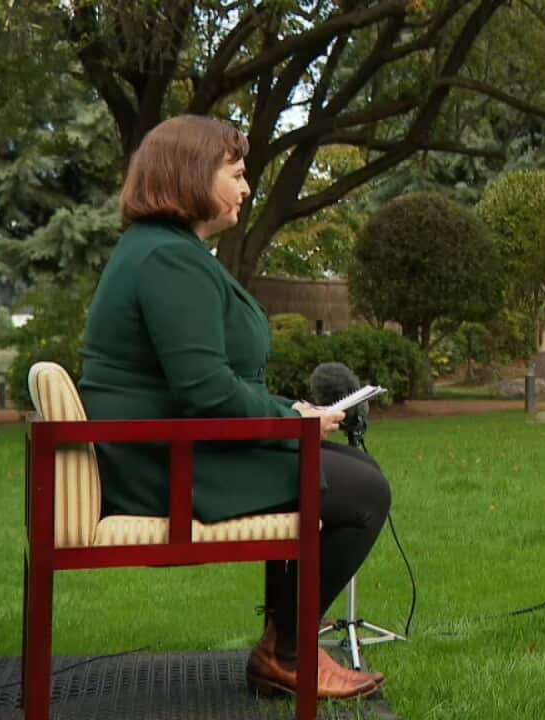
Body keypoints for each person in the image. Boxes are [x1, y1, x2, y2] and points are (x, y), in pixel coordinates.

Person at [79, 115, 390, 698]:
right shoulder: (167, 259)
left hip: (164, 447)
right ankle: (289, 653)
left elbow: (202, 384)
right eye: (238, 173)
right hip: (162, 467)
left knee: (357, 475)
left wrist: (286, 410)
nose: (247, 188)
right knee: (364, 492)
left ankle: (284, 646)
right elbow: (205, 392)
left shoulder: (164, 251)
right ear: (194, 173)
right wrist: (292, 422)